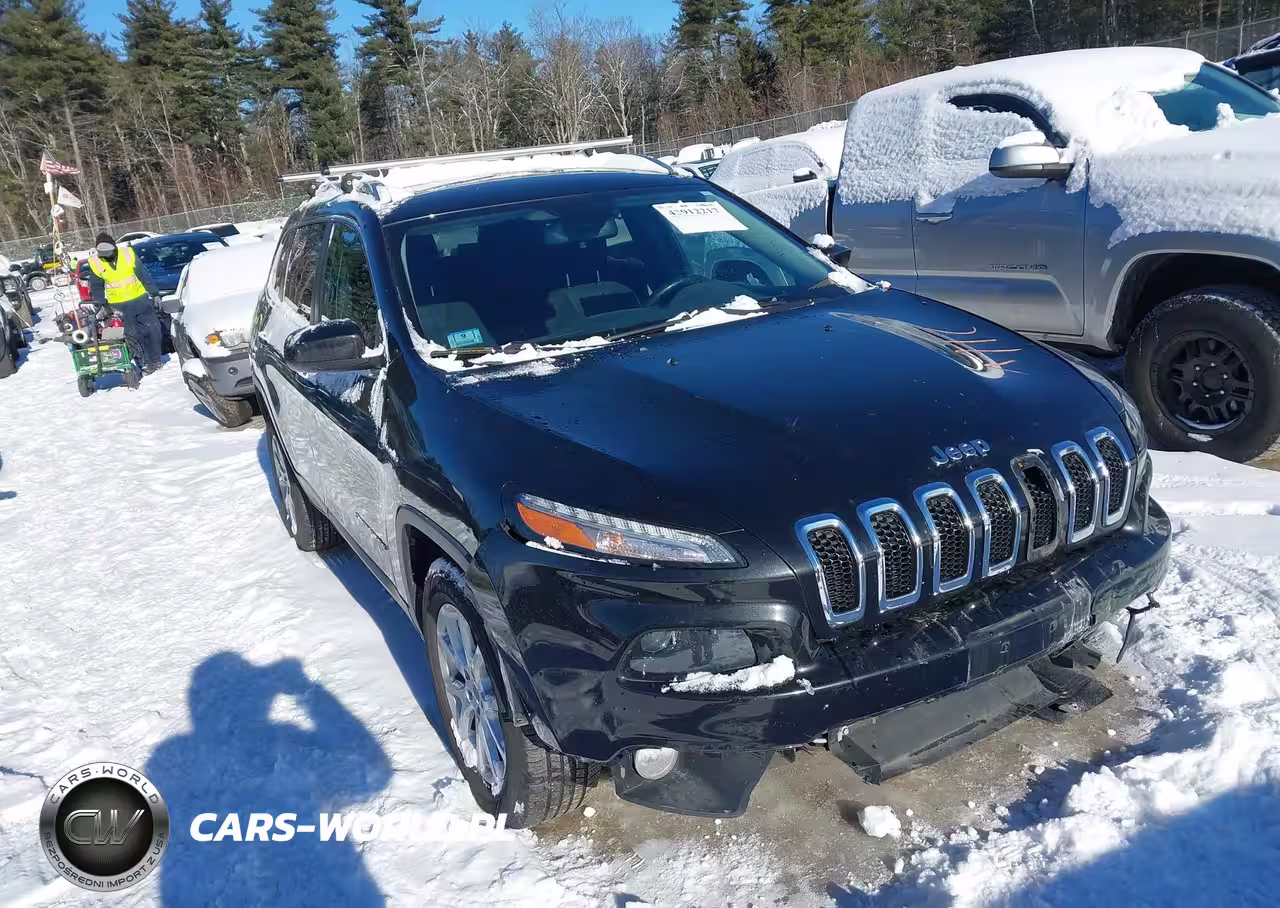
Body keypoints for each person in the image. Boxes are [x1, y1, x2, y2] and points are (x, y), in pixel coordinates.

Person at [86, 231, 164, 374]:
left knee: (153, 330)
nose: (105, 256)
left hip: (140, 300)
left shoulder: (128, 254)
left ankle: (156, 360)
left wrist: (154, 294)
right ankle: (144, 362)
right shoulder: (95, 262)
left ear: (114, 248)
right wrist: (101, 305)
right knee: (132, 335)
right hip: (118, 305)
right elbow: (96, 286)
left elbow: (143, 275)